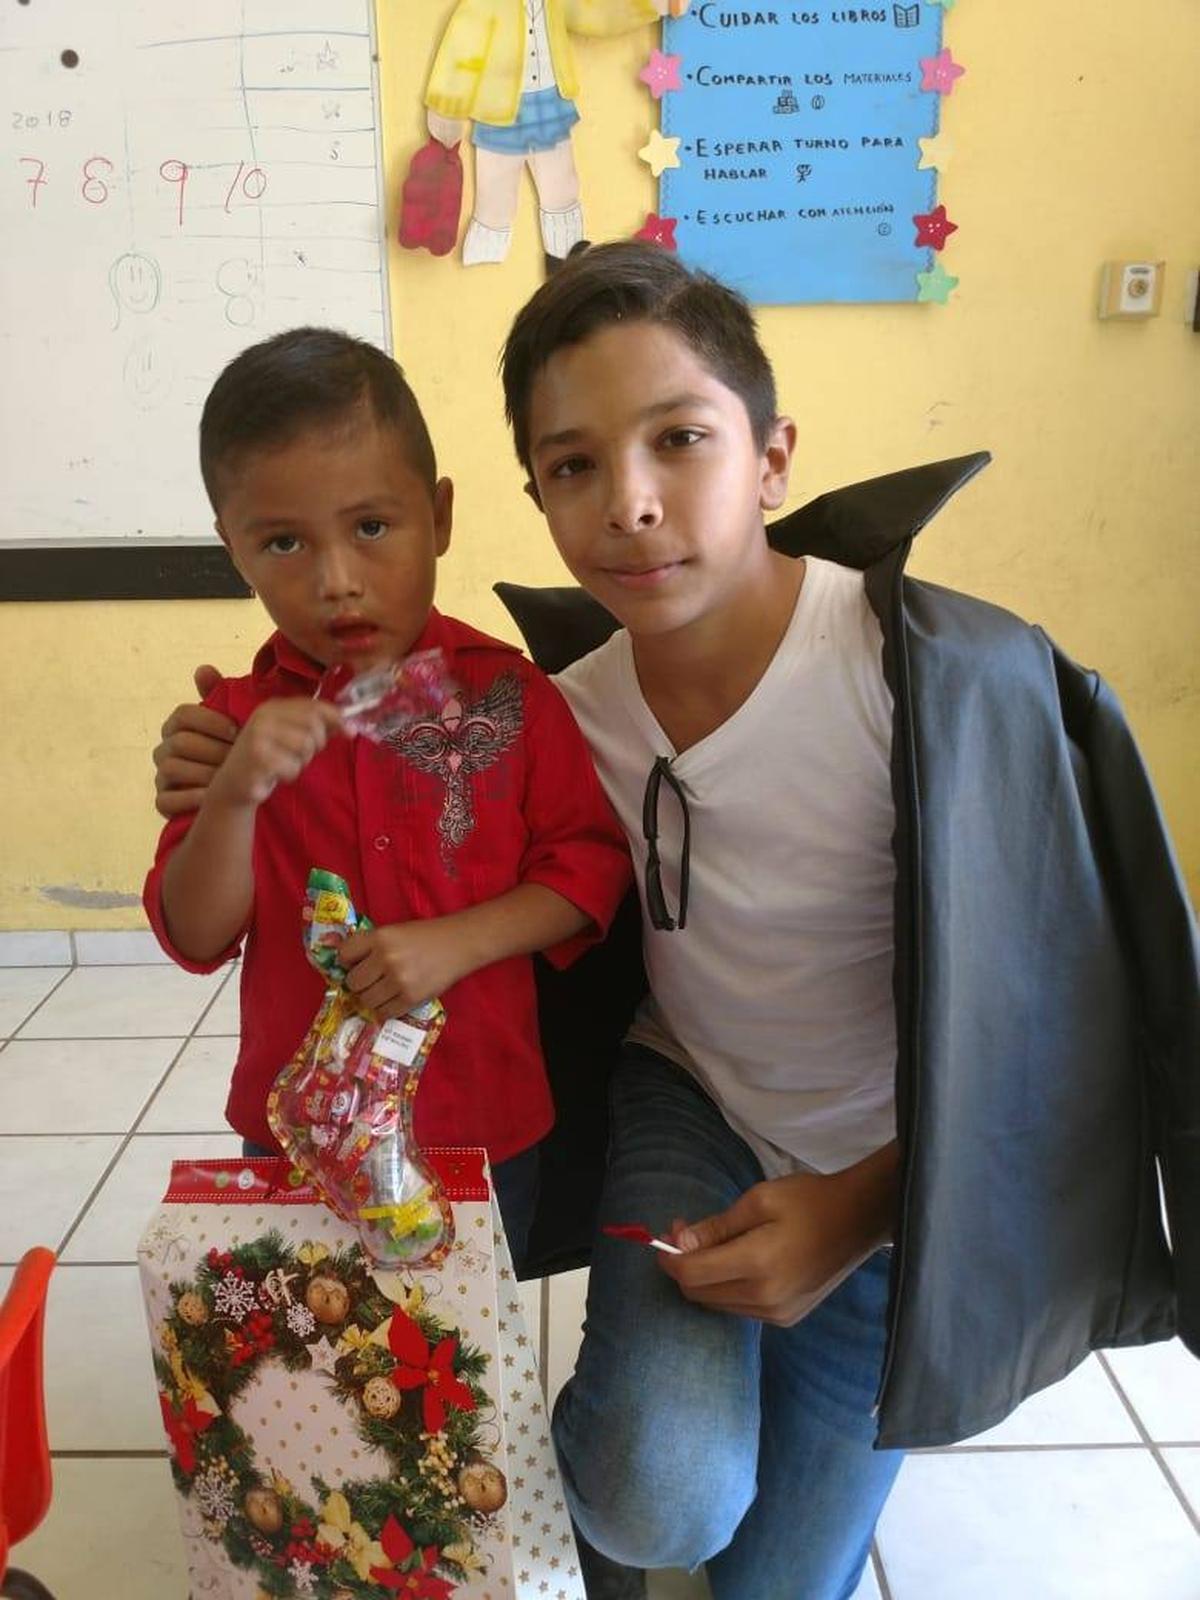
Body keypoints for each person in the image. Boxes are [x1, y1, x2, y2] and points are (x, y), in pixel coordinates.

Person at [153, 248, 1198, 1600]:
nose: (632, 503)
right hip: (689, 1114)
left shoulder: (946, 688)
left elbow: (1065, 1034)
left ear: (772, 459)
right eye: (575, 465)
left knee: (777, 1585)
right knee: (658, 1498)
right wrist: (219, 761)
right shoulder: (559, 705)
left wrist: (864, 1208)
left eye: (681, 439)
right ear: (533, 498)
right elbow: (346, 798)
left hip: (912, 1176)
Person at [143, 326, 631, 1267]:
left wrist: (457, 941)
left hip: (479, 1125)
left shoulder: (510, 697)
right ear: (234, 551)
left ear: (438, 516)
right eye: (283, 542)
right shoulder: (232, 727)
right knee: (317, 1344)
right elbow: (196, 934)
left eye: (372, 527)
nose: (337, 582)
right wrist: (236, 796)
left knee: (464, 1344)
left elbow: (588, 872)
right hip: (299, 1133)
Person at [423, 0, 687, 269]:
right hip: (498, 112)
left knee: (561, 187)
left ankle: (565, 256)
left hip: (550, 103)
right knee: (495, 195)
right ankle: (485, 256)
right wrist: (446, 107)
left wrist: (653, 5)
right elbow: (461, 54)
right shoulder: (482, 6)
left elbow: (596, 11)